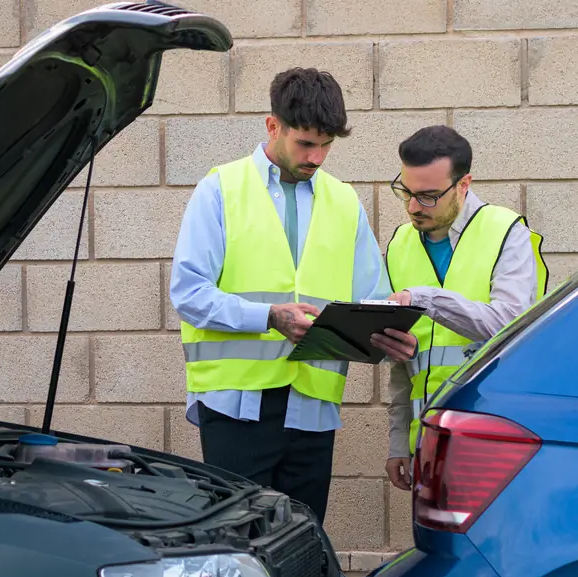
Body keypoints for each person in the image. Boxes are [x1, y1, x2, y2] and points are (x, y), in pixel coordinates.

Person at [170, 67, 416, 525]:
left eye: (326, 145)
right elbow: (188, 292)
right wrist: (268, 316)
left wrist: (390, 334)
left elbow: (372, 297)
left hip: (313, 406)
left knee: (301, 546)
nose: (317, 156)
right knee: (237, 547)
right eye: (306, 143)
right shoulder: (220, 190)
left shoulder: (344, 202)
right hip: (236, 403)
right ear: (272, 126)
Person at [375, 125, 548, 491]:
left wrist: (424, 299)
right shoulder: (400, 245)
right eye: (405, 191)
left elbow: (507, 325)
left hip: (493, 440)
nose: (412, 207)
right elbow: (403, 364)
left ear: (464, 184)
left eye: (428, 196)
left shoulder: (505, 231)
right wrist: (397, 444)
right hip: (427, 442)